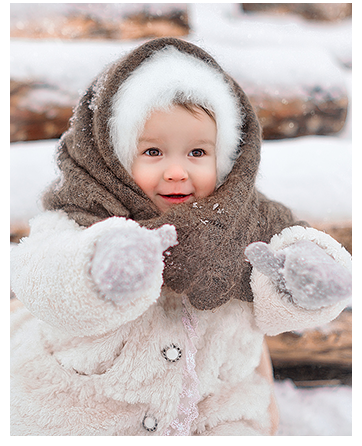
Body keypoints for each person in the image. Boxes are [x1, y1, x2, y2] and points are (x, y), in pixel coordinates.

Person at [10, 37, 351, 436]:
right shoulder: (79, 217)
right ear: (113, 157)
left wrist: (300, 281)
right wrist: (98, 269)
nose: (176, 171)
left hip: (214, 407)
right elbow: (42, 274)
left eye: (197, 153)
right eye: (153, 152)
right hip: (85, 408)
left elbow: (277, 282)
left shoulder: (249, 222)